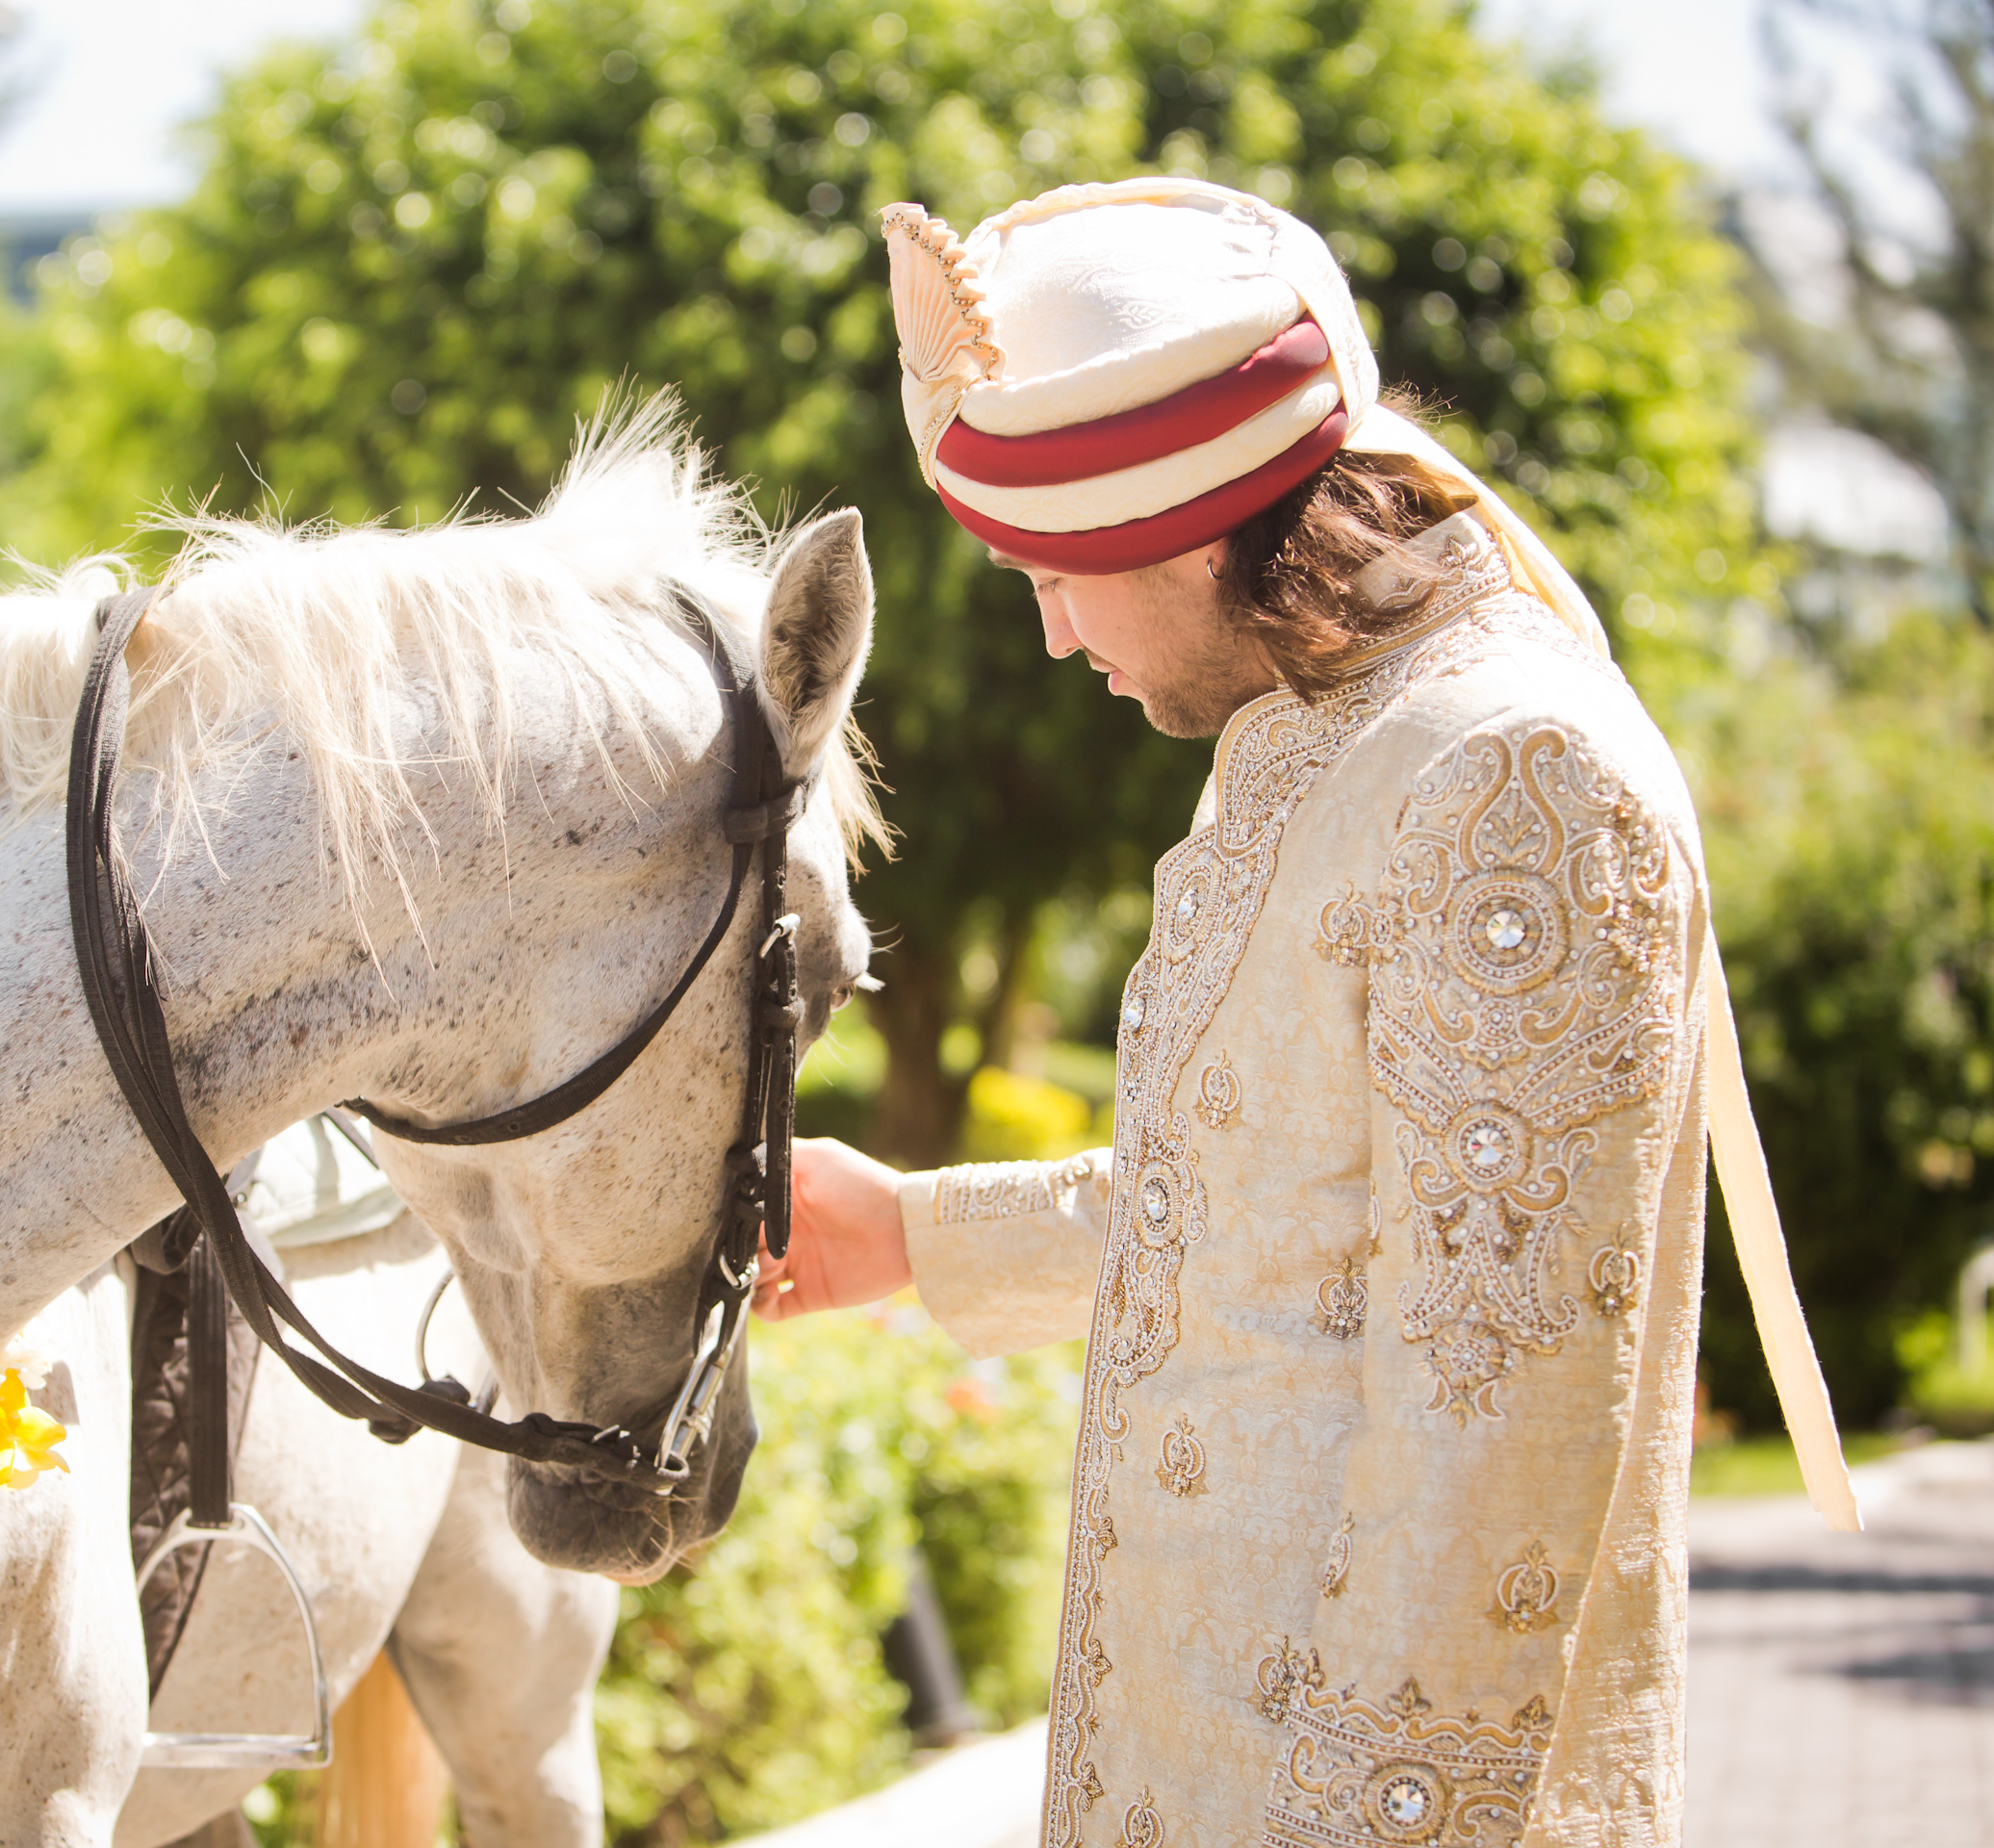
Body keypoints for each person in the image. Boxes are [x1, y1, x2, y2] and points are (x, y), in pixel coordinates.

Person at [756, 177, 1849, 1848]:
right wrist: (912, 1232)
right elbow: (1282, 1222)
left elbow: (1497, 1432)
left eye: (1057, 572)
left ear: (1194, 528)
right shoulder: (1336, 738)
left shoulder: (1505, 774)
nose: (1050, 635)